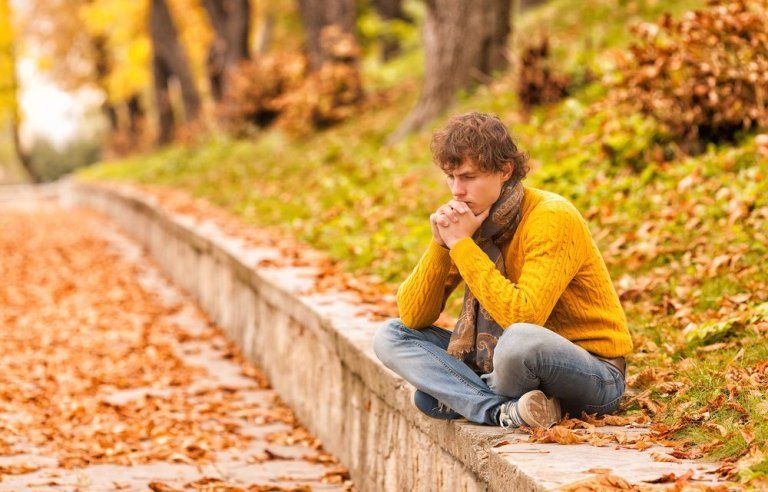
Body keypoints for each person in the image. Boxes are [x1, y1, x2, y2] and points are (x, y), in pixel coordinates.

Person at [373, 111, 633, 429]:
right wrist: (441, 245)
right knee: (392, 335)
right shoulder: (471, 223)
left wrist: (461, 245)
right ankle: (503, 410)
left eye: (468, 177)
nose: (456, 190)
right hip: (507, 367)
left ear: (505, 170)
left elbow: (524, 317)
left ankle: (468, 396)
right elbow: (414, 316)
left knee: (518, 341)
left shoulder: (551, 216)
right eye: (450, 177)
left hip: (593, 373)